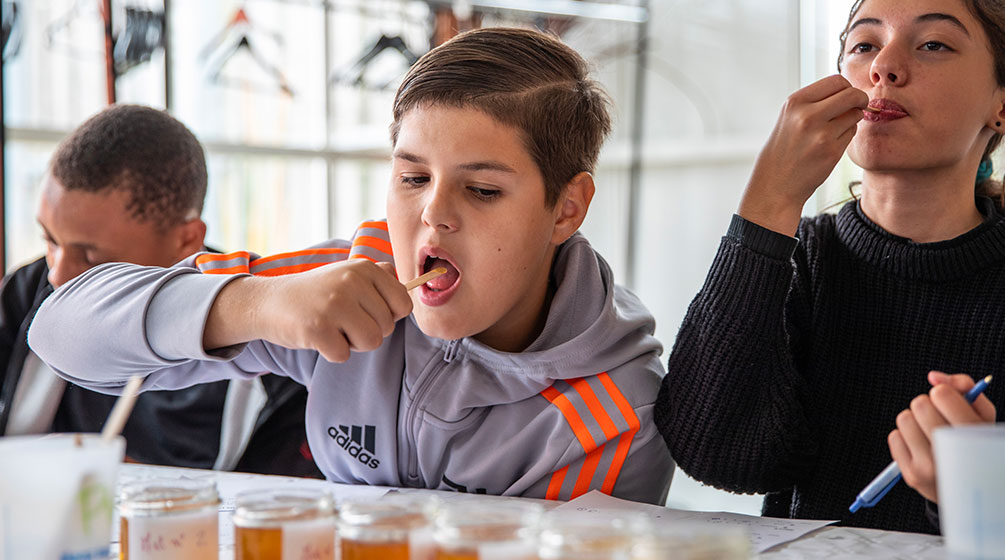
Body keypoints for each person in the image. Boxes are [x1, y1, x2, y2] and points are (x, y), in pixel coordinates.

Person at [28, 29, 674, 503]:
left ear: (567, 208)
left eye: (482, 190)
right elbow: (60, 334)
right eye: (413, 177)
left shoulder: (616, 415)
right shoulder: (344, 278)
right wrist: (260, 304)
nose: (434, 215)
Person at [655, 0, 1005, 534]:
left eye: (933, 44)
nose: (884, 66)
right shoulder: (795, 260)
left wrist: (981, 489)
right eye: (864, 45)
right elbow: (716, 454)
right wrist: (769, 198)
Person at [2, 104, 319, 477]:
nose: (58, 275)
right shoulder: (29, 293)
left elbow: (282, 506)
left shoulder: (271, 338)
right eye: (50, 240)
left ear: (186, 240)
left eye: (90, 258)